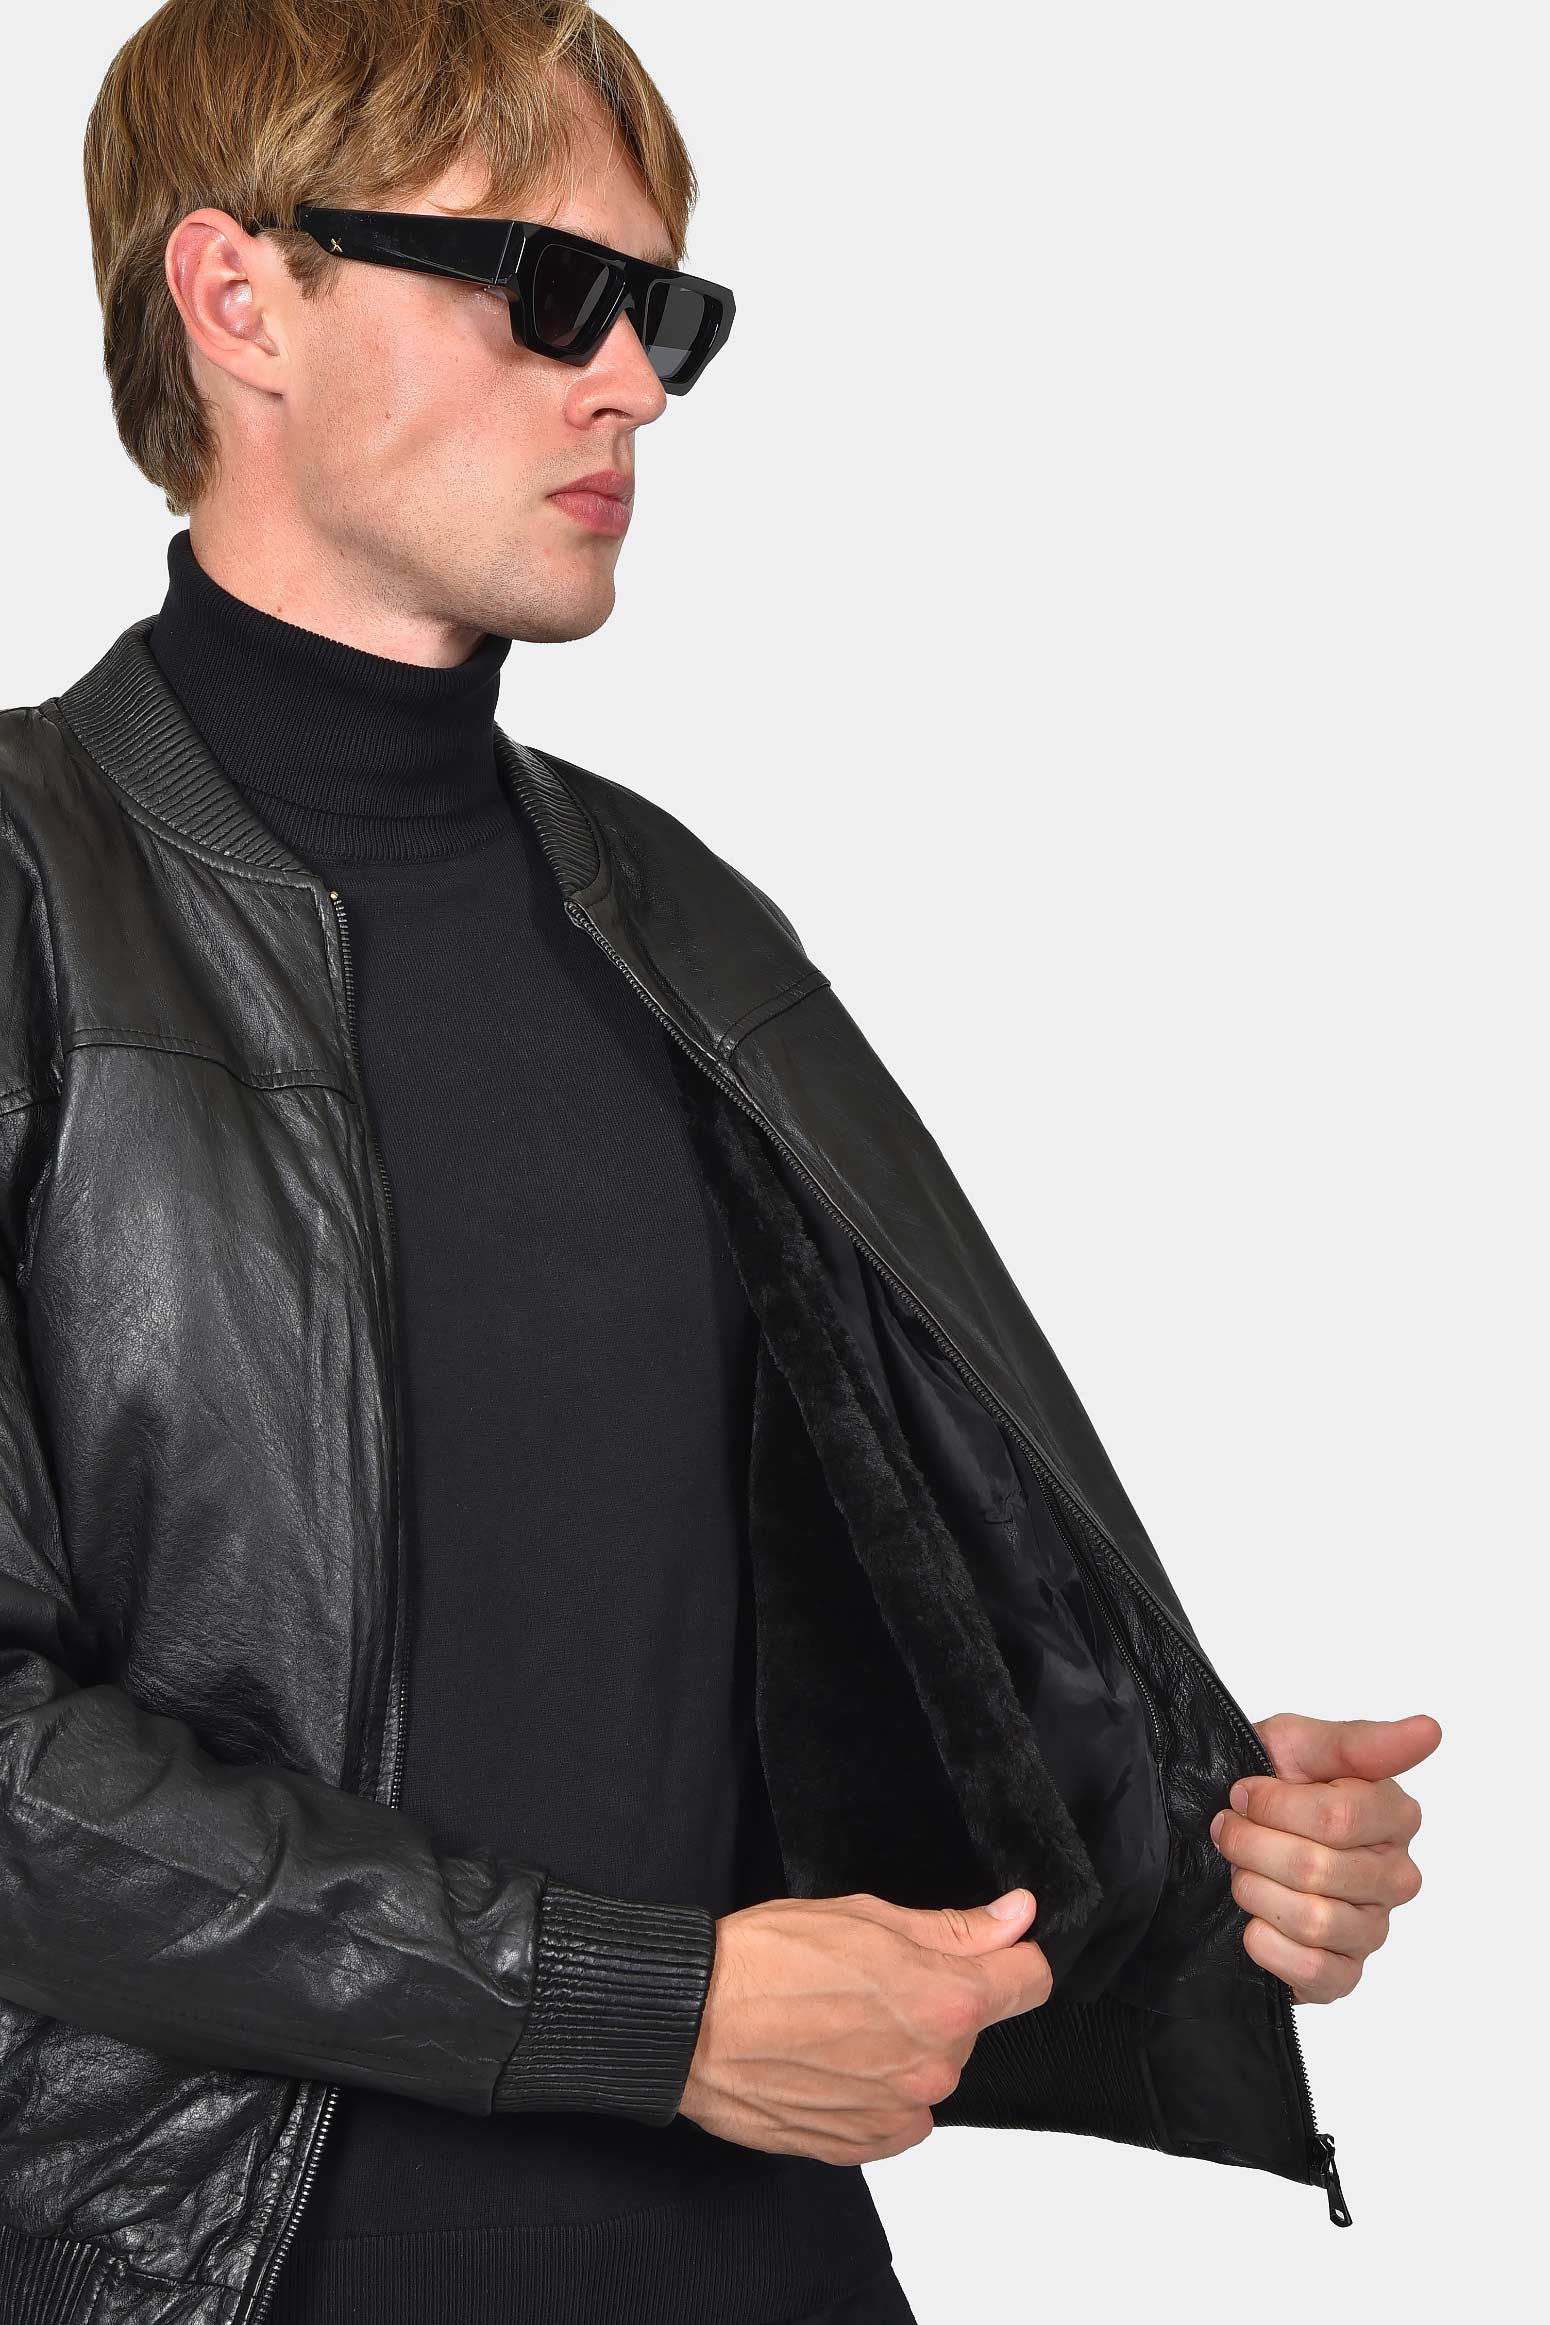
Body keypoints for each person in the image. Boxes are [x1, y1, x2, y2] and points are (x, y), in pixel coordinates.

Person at [0, 5, 1435, 2323]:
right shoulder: (21, 895)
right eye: (547, 291)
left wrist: (1162, 1833)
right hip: (226, 2274)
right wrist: (639, 2005)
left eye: (657, 311)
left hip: (758, 2263)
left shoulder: (666, 921)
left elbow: (753, 1664)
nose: (631, 387)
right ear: (237, 296)